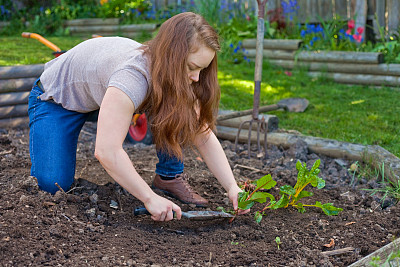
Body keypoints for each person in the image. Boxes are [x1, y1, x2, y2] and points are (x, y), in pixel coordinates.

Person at [28, 12, 248, 222]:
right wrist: (149, 198)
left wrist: (232, 187)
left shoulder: (175, 74)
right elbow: (106, 151)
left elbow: (202, 134)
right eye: (192, 67)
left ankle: (168, 177)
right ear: (172, 55)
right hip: (57, 100)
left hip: (102, 88)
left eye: (203, 69)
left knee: (177, 109)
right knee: (52, 185)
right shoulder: (132, 78)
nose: (196, 77)